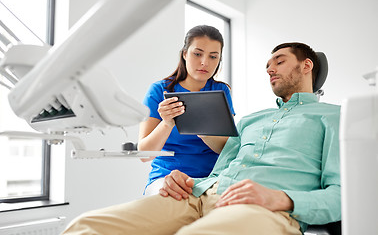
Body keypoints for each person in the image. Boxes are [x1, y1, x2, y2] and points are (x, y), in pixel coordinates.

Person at [62, 42, 341, 235]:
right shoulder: (250, 120)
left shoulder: (335, 118)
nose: (270, 69)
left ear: (306, 66)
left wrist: (282, 199)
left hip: (264, 210)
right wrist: (184, 179)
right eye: (268, 65)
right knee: (86, 226)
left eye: (279, 62)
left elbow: (343, 195)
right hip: (197, 196)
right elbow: (222, 166)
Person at [138, 25, 235, 195]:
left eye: (213, 56)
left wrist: (205, 131)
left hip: (213, 178)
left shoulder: (221, 91)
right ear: (184, 54)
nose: (205, 62)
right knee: (169, 201)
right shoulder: (159, 91)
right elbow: (144, 154)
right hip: (166, 177)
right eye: (197, 54)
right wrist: (167, 124)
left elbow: (229, 149)